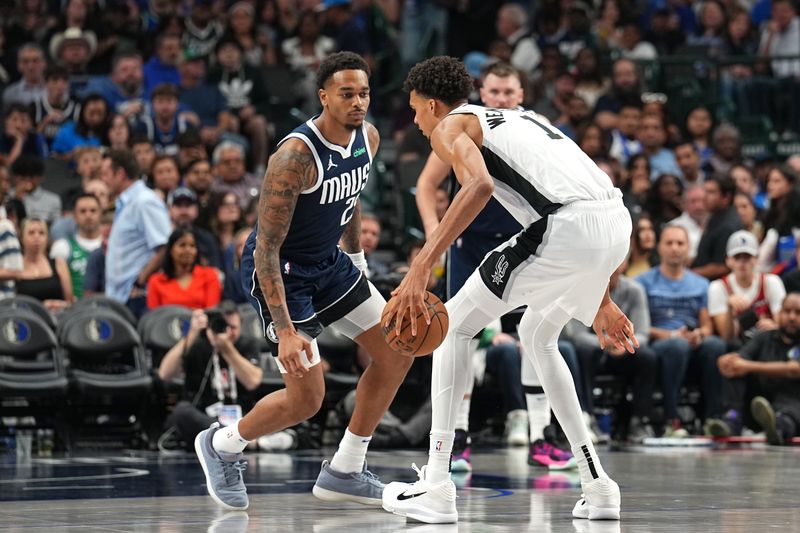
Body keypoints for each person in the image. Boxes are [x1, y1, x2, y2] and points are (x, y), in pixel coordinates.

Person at [381, 56, 636, 524]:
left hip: (569, 226)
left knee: (453, 327)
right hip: (615, 223)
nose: (416, 122)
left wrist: (421, 265)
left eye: (416, 110)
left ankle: (437, 484)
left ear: (433, 105)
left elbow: (476, 186)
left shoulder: (450, 127)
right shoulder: (526, 118)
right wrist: (599, 298)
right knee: (538, 335)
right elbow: (575, 198)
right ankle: (599, 486)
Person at [193, 52, 414, 512]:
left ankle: (347, 469)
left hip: (330, 263)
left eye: (365, 93)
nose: (358, 103)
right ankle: (223, 444)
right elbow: (265, 250)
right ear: (323, 96)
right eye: (347, 94)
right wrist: (287, 332)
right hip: (282, 272)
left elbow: (349, 203)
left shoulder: (368, 138)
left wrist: (356, 260)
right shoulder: (294, 156)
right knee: (307, 400)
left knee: (397, 348)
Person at [415, 61, 576, 471]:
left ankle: (542, 433)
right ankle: (458, 437)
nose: (501, 99)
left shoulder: (532, 127)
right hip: (470, 244)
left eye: (509, 93)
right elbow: (427, 185)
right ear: (481, 94)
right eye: (495, 93)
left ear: (520, 95)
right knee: (459, 335)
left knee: (536, 335)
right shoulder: (467, 126)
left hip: (525, 239)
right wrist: (437, 235)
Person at [636, 225, 727, 436]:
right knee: (676, 346)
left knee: (716, 345)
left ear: (688, 248)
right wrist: (671, 335)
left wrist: (700, 334)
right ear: (659, 247)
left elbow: (707, 325)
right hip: (659, 342)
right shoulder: (643, 283)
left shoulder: (701, 284)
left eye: (680, 243)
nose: (675, 248)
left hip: (690, 342)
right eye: (669, 243)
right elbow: (639, 326)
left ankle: (713, 418)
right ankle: (672, 419)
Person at [158, 303, 263, 447]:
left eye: (233, 328)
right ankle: (236, 439)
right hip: (205, 418)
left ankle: (233, 438)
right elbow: (165, 373)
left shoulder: (247, 344)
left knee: (271, 407)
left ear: (241, 326)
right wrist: (192, 333)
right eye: (223, 326)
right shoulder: (198, 344)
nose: (228, 332)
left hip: (241, 417)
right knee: (182, 411)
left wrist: (226, 348)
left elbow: (253, 382)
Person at [706, 292, 800, 444]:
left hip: (792, 405)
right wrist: (726, 362)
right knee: (735, 371)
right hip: (759, 404)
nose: (792, 317)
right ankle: (732, 420)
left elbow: (794, 369)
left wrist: (748, 366)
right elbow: (739, 360)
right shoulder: (764, 337)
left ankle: (777, 428)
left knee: (788, 415)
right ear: (779, 312)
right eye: (787, 311)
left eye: (798, 313)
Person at [100, 149, 171, 317]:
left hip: (137, 298)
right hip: (120, 298)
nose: (102, 180)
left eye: (105, 174)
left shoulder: (145, 202)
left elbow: (166, 246)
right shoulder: (126, 203)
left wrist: (140, 282)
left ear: (120, 174)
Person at [707, 230, 785, 344]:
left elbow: (782, 325)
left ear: (756, 258)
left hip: (767, 342)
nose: (742, 262)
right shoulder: (718, 287)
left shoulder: (771, 282)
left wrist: (774, 327)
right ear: (728, 260)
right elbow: (726, 336)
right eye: (737, 257)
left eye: (747, 257)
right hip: (737, 345)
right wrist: (729, 309)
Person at [146, 228, 222, 310]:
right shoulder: (156, 281)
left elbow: (212, 312)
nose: (188, 250)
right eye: (182, 245)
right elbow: (153, 317)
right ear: (171, 250)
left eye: (192, 246)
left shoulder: (209, 275)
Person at [49, 192, 103, 300]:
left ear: (101, 213)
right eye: (83, 211)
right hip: (75, 311)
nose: (88, 215)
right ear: (74, 216)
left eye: (93, 211)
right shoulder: (63, 247)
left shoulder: (112, 247)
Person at [17, 218, 73, 311]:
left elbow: (70, 301)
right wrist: (41, 307)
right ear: (22, 237)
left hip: (57, 317)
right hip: (25, 320)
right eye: (31, 233)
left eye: (41, 233)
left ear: (47, 238)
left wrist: (58, 304)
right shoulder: (15, 267)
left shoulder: (59, 263)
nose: (36, 237)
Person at [692, 175, 742, 280]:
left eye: (711, 192)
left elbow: (723, 267)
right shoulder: (716, 216)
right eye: (704, 191)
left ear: (726, 197)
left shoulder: (728, 226)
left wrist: (687, 275)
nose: (704, 196)